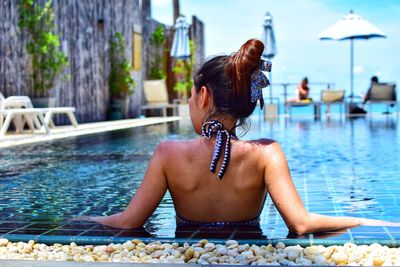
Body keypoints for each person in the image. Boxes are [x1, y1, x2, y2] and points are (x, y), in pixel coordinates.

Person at [73, 39, 400, 233]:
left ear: (203, 97)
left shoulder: (168, 154)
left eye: (190, 96)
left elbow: (128, 222)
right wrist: (367, 223)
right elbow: (301, 224)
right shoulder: (266, 154)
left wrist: (81, 219)